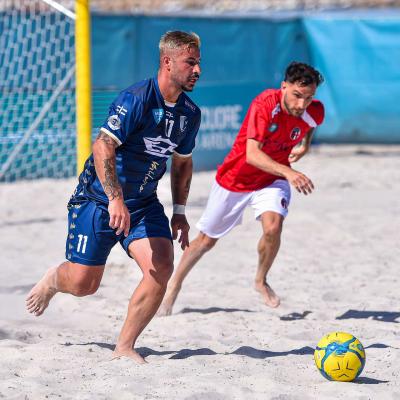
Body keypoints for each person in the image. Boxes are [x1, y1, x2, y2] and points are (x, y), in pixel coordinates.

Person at [26, 31, 202, 363]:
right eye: (190, 63)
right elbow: (102, 145)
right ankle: (54, 279)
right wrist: (114, 198)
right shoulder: (136, 99)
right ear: (167, 62)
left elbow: (182, 162)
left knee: (161, 267)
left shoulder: (190, 114)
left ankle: (125, 346)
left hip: (144, 203)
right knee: (84, 285)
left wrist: (179, 211)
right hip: (98, 200)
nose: (197, 70)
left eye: (198, 63)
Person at [158, 61, 324, 316]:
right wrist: (290, 172)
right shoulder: (265, 105)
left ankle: (260, 280)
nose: (302, 104)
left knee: (273, 228)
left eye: (309, 97)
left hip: (271, 179)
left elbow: (310, 123)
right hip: (235, 179)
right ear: (284, 87)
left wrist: (305, 145)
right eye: (297, 95)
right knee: (205, 241)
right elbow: (252, 155)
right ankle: (174, 286)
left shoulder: (314, 110)